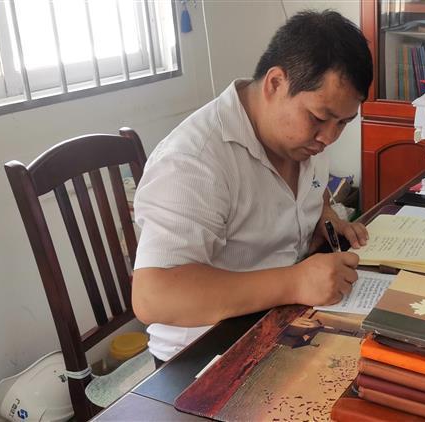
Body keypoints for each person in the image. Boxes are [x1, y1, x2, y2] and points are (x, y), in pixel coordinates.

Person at [131, 10, 374, 363]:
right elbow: (154, 296)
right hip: (205, 354)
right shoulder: (193, 160)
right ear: (275, 83)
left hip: (281, 323)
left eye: (343, 123)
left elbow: (313, 189)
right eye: (320, 118)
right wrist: (294, 282)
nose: (329, 137)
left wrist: (326, 215)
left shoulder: (301, 140)